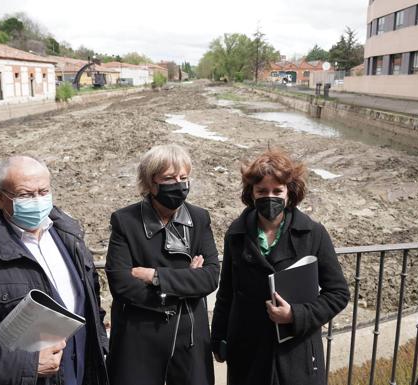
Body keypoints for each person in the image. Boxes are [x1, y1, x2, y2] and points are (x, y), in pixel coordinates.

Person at [0, 156, 109, 385]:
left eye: (44, 191)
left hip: (83, 373)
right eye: (25, 195)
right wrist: (27, 366)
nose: (38, 201)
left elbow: (91, 303)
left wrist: (101, 345)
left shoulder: (69, 235)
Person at [210, 149, 350, 385]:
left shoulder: (314, 233)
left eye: (277, 191)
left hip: (296, 352)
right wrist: (218, 338)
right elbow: (226, 293)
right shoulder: (236, 233)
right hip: (247, 351)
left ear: (289, 192)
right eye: (262, 191)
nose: (269, 197)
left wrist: (295, 315)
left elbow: (338, 294)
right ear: (251, 193)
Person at [105, 144, 219, 385]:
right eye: (169, 178)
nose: (178, 184)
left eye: (183, 177)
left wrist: (155, 276)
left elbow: (210, 277)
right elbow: (121, 283)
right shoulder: (125, 221)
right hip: (139, 338)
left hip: (189, 338)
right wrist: (186, 283)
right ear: (151, 182)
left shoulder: (199, 218)